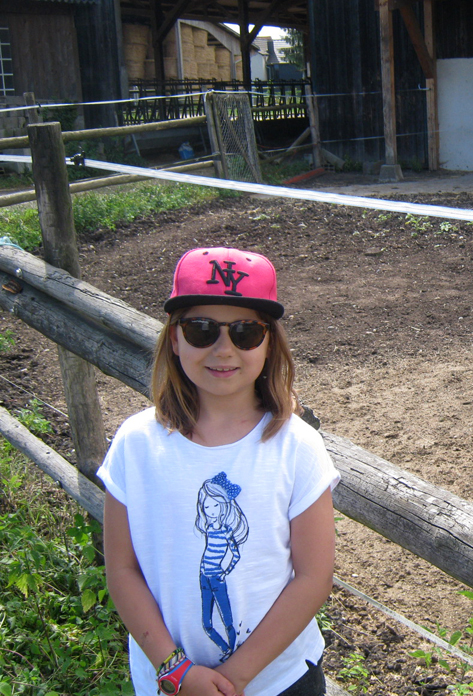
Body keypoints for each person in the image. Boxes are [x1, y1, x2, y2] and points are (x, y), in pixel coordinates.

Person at [99, 246, 339, 696]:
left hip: (279, 682)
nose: (223, 349)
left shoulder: (297, 447)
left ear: (269, 343)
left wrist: (233, 679)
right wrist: (175, 671)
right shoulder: (135, 444)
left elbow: (313, 578)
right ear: (174, 339)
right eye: (201, 329)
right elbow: (123, 569)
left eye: (246, 332)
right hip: (166, 682)